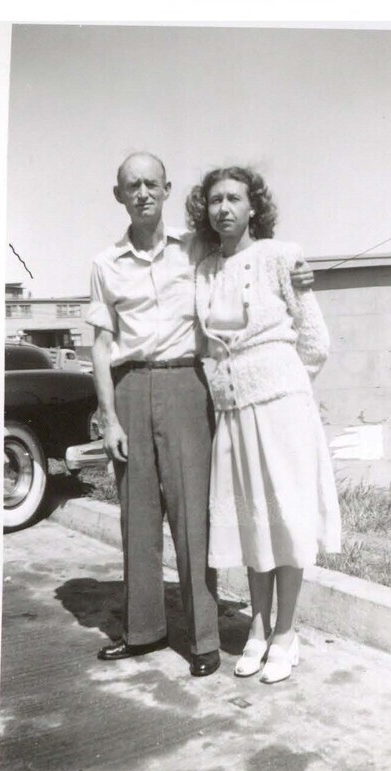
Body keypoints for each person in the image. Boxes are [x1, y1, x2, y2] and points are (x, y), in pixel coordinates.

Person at [86, 152, 314, 678]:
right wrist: (109, 417)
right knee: (137, 515)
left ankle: (205, 638)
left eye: (151, 183)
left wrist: (298, 274)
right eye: (131, 185)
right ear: (118, 195)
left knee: (194, 516)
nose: (142, 193)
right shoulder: (104, 264)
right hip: (128, 388)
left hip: (188, 383)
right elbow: (99, 344)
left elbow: (250, 254)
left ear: (166, 190)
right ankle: (142, 631)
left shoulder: (198, 249)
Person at [186, 166, 341, 684]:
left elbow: (315, 341)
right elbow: (206, 345)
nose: (223, 208)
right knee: (254, 523)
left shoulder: (281, 256)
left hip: (281, 409)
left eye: (234, 198)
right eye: (214, 200)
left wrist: (285, 383)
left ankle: (286, 633)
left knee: (287, 520)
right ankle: (257, 626)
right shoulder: (204, 269)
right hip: (233, 413)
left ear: (254, 206)